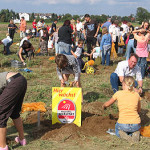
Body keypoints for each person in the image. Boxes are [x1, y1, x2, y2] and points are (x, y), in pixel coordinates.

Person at [102, 76, 141, 142]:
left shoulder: (118, 93)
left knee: (117, 130)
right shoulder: (137, 95)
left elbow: (107, 104)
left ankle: (122, 135)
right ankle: (135, 133)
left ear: (124, 84)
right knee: (135, 129)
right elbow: (138, 110)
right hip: (135, 123)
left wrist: (103, 106)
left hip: (123, 124)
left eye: (122, 84)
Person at [0, 72, 27, 150]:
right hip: (21, 79)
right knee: (14, 112)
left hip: (13, 82)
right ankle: (22, 139)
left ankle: (3, 147)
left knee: (1, 114)